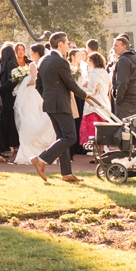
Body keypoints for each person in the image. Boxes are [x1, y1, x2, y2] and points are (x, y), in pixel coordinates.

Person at [30, 33, 92, 183]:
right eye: (67, 43)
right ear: (60, 45)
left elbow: (38, 85)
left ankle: (66, 173)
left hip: (50, 105)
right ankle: (41, 159)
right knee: (70, 137)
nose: (69, 45)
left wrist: (48, 98)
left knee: (62, 138)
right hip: (61, 104)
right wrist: (85, 95)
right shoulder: (60, 61)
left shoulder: (44, 60)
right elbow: (70, 83)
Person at [13, 44, 56, 167]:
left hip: (33, 94)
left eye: (31, 52)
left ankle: (30, 153)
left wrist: (24, 82)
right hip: (43, 94)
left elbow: (34, 80)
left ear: (36, 53)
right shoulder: (47, 63)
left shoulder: (33, 64)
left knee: (31, 119)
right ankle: (44, 153)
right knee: (41, 118)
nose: (30, 54)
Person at [110, 37, 136, 118]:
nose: (113, 48)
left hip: (126, 99)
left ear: (124, 47)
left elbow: (123, 82)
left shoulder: (124, 59)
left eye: (116, 45)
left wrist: (118, 100)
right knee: (135, 127)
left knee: (123, 128)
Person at [79, 53, 109, 149]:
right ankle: (100, 152)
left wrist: (84, 89)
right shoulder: (104, 72)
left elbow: (91, 91)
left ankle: (96, 155)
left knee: (93, 131)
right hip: (104, 102)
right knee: (103, 131)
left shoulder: (94, 73)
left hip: (94, 105)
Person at [0, 43, 20, 158]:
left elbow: (12, 80)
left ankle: (13, 146)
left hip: (8, 97)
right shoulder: (11, 63)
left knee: (10, 122)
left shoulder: (10, 64)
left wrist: (1, 89)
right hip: (8, 96)